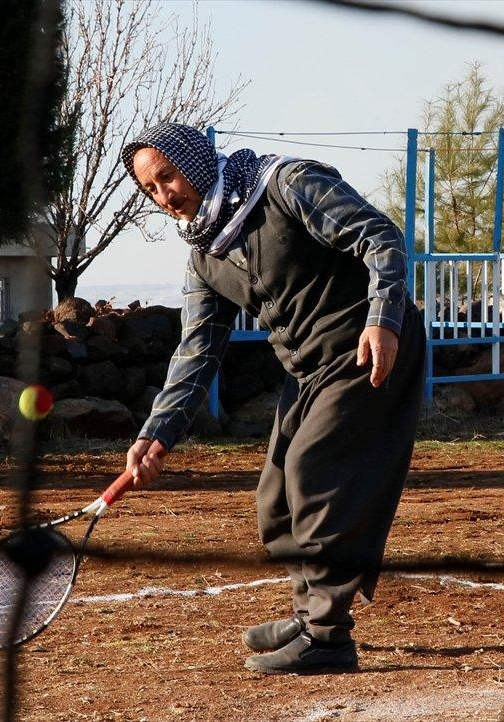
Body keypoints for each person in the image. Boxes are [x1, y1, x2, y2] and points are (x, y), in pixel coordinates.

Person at [120, 123, 424, 674]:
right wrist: (155, 433)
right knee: (276, 496)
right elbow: (196, 353)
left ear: (192, 160)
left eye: (167, 176)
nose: (165, 196)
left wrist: (385, 319)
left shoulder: (285, 183)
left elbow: (380, 237)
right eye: (150, 190)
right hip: (307, 369)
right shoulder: (203, 256)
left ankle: (329, 639)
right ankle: (309, 616)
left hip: (367, 344)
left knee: (314, 474)